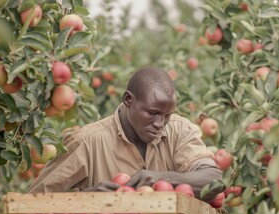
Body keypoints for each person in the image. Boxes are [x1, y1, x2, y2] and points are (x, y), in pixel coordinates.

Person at [26, 66, 223, 201]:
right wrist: (84, 199)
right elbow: (30, 205)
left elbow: (213, 180)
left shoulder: (180, 131)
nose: (160, 124)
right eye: (153, 113)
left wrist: (159, 179)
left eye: (167, 115)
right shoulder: (86, 143)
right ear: (128, 99)